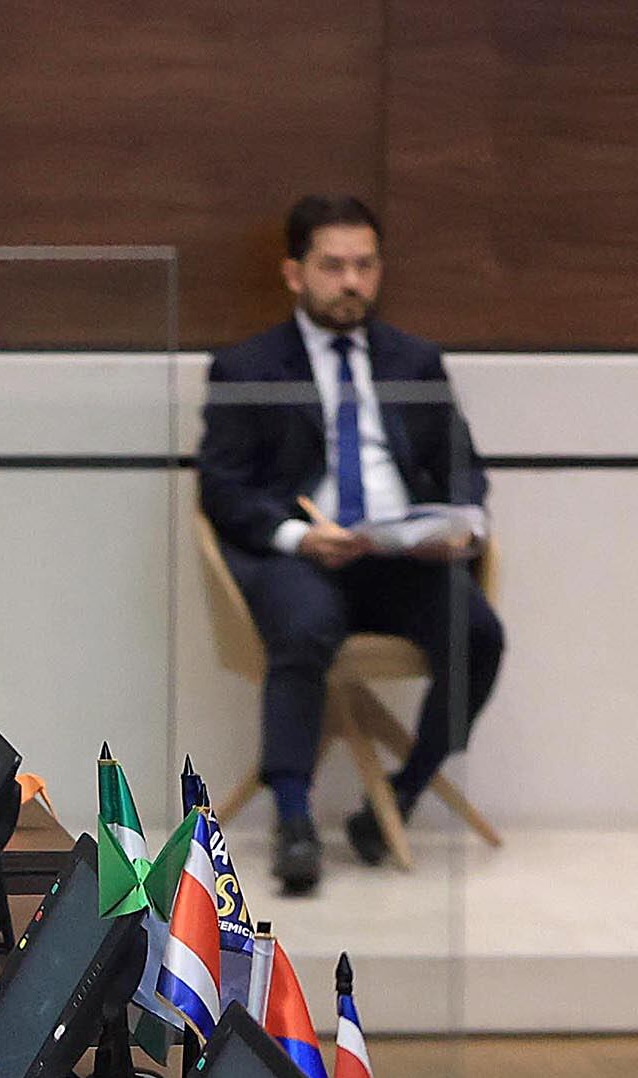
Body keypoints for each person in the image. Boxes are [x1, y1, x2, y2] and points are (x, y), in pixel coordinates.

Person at [197, 192, 504, 893]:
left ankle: (402, 793)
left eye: (365, 266)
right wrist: (299, 536)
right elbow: (223, 487)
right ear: (294, 273)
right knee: (302, 626)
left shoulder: (415, 361)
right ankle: (294, 821)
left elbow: (462, 466)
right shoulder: (247, 367)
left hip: (401, 558)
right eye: (333, 266)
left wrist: (460, 526)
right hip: (304, 556)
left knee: (479, 635)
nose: (352, 282)